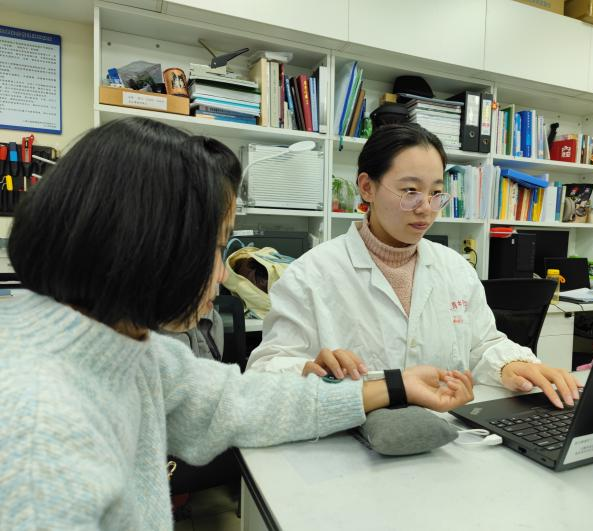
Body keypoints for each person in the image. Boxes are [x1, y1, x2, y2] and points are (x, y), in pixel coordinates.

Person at [0, 117, 474, 529]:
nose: (223, 274)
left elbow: (240, 402)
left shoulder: (130, 346)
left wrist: (395, 385)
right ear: (143, 244)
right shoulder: (39, 425)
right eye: (215, 245)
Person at [247, 123, 581, 409]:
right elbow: (264, 372)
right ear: (367, 187)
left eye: (436, 193)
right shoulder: (311, 273)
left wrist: (511, 364)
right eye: (410, 191)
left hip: (446, 436)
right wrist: (307, 369)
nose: (426, 208)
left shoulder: (454, 268)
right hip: (352, 441)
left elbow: (483, 345)